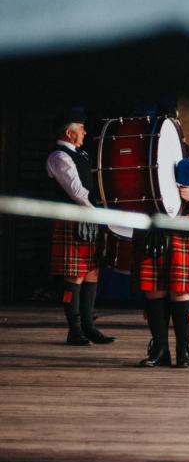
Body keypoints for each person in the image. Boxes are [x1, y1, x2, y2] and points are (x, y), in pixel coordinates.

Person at [134, 123, 189, 368]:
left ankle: (184, 349)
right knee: (154, 289)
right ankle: (160, 349)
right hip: (151, 224)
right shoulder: (142, 152)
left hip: (181, 223)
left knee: (179, 290)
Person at [45, 110, 113, 346]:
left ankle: (89, 327)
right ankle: (74, 330)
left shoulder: (81, 154)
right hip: (72, 220)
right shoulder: (59, 157)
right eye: (81, 128)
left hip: (89, 218)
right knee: (74, 275)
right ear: (69, 132)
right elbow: (77, 192)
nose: (85, 132)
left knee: (92, 272)